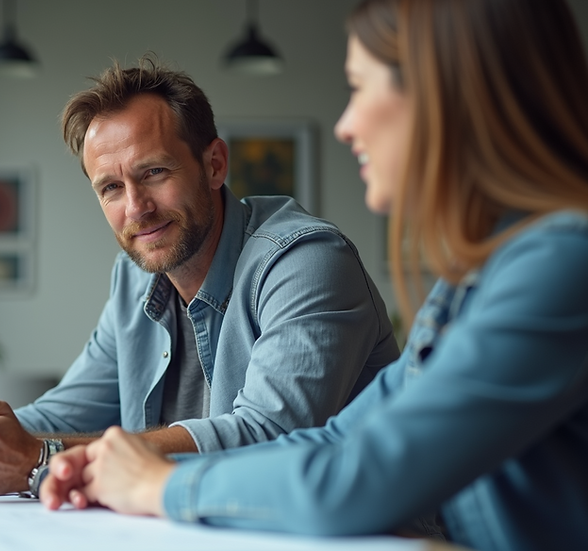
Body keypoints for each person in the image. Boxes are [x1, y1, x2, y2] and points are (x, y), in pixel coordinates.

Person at [40, 0, 588, 549]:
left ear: (448, 95)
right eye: (111, 188)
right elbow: (335, 442)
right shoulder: (482, 276)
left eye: (360, 87)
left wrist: (160, 483)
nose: (346, 125)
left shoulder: (561, 265)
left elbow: (356, 479)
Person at [0, 56, 400, 497]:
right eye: (111, 188)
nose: (137, 208)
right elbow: (62, 414)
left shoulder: (304, 262)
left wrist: (41, 459)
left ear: (214, 164)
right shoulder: (136, 280)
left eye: (153, 173)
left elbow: (268, 438)